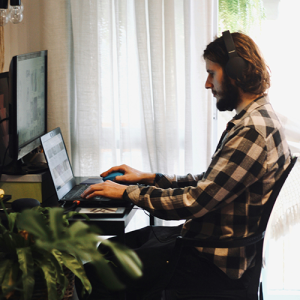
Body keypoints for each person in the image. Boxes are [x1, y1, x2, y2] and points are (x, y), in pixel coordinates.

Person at [77, 31, 291, 299]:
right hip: (206, 246)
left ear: (235, 71)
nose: (207, 83)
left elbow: (194, 202)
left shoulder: (252, 132)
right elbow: (211, 183)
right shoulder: (257, 118)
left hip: (212, 263)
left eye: (211, 73)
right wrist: (149, 177)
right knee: (108, 251)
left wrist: (126, 193)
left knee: (99, 272)